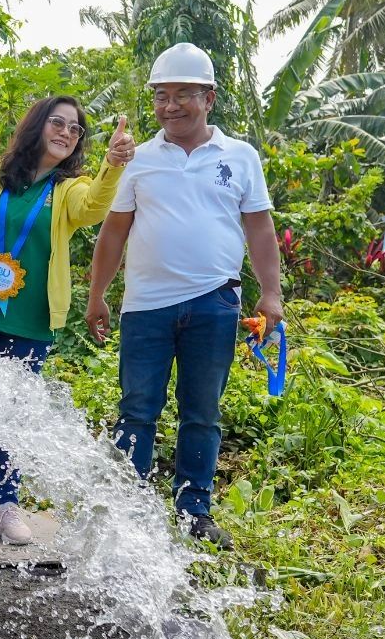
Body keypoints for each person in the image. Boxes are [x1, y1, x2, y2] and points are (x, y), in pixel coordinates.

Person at [87, 42, 282, 550]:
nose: (170, 106)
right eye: (160, 96)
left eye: (182, 95)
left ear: (209, 98)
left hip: (215, 303)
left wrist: (272, 294)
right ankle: (131, 511)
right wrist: (98, 295)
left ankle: (194, 509)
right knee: (138, 408)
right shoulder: (139, 159)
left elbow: (260, 230)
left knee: (202, 412)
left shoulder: (240, 157)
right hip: (146, 308)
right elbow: (113, 233)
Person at [0, 96, 134, 545]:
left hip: (32, 318)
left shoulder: (67, 188)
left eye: (76, 129)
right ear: (36, 125)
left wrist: (111, 165)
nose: (67, 133)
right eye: (59, 122)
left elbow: (92, 208)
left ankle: (7, 506)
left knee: (15, 413)